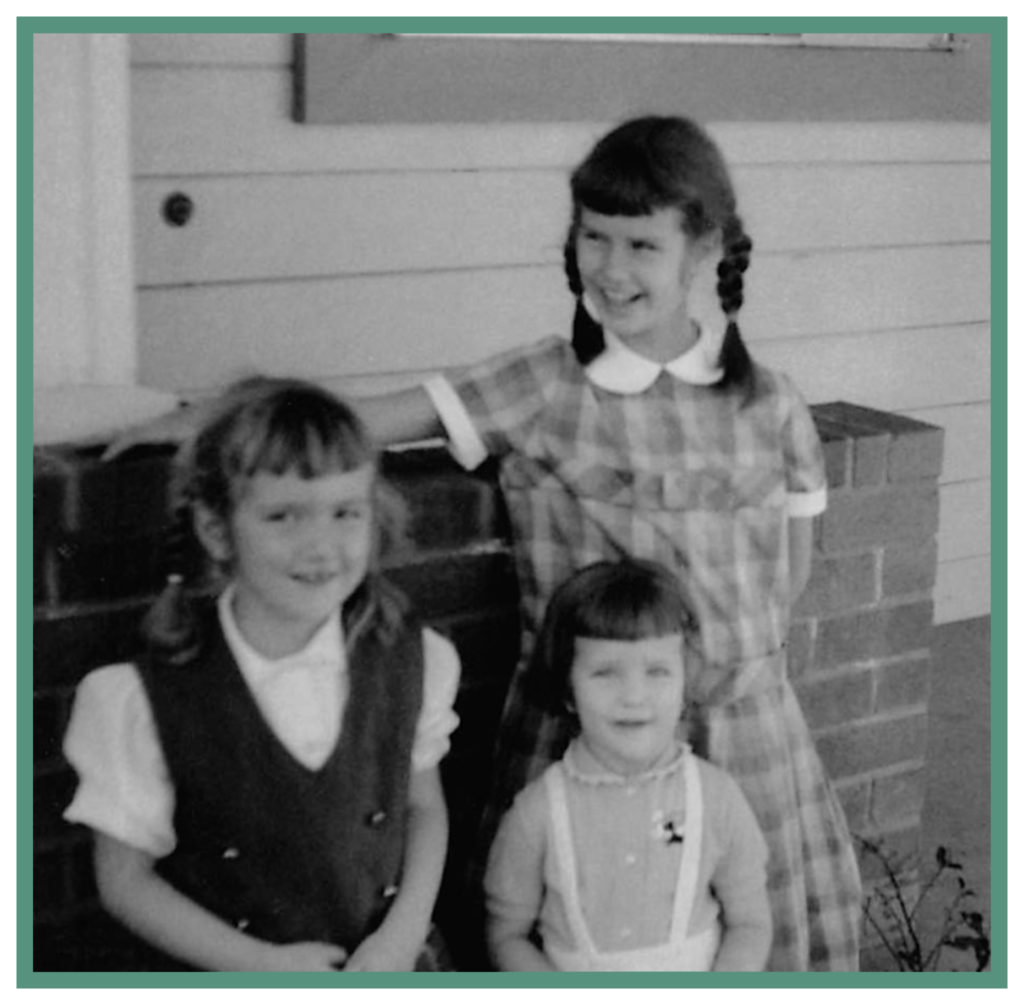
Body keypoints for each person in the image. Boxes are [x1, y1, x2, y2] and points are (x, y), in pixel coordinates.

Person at [102, 115, 862, 970]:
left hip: (746, 735)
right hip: (585, 735)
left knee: (737, 938)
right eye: (593, 238)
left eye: (641, 244)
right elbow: (369, 418)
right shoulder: (543, 384)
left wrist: (714, 677)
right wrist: (215, 413)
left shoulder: (772, 402)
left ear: (706, 249)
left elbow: (788, 578)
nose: (610, 268)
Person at [63, 376, 460, 972]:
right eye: (283, 517)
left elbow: (423, 808)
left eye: (345, 512)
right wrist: (259, 965)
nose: (321, 545)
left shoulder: (412, 659)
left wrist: (400, 937)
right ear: (217, 530)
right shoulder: (143, 699)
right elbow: (124, 880)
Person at [484, 559, 771, 972]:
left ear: (685, 683)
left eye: (657, 671)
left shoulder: (716, 797)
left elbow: (750, 923)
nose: (633, 696)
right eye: (605, 673)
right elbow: (505, 934)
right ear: (568, 689)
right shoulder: (537, 813)